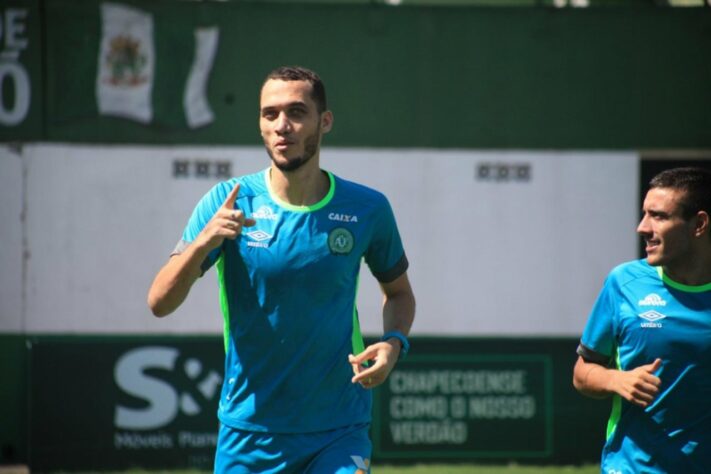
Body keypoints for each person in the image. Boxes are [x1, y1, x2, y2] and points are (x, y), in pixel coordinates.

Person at [147, 65, 415, 473]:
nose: (281, 126)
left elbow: (399, 293)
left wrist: (394, 342)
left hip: (340, 428)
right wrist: (205, 241)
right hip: (251, 433)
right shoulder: (228, 201)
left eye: (296, 112)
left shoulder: (368, 208)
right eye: (269, 114)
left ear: (324, 122)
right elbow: (160, 302)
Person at [573, 167, 711, 473]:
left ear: (698, 224)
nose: (642, 227)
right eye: (644, 214)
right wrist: (616, 379)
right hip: (631, 466)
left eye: (658, 216)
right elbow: (582, 372)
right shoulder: (623, 283)